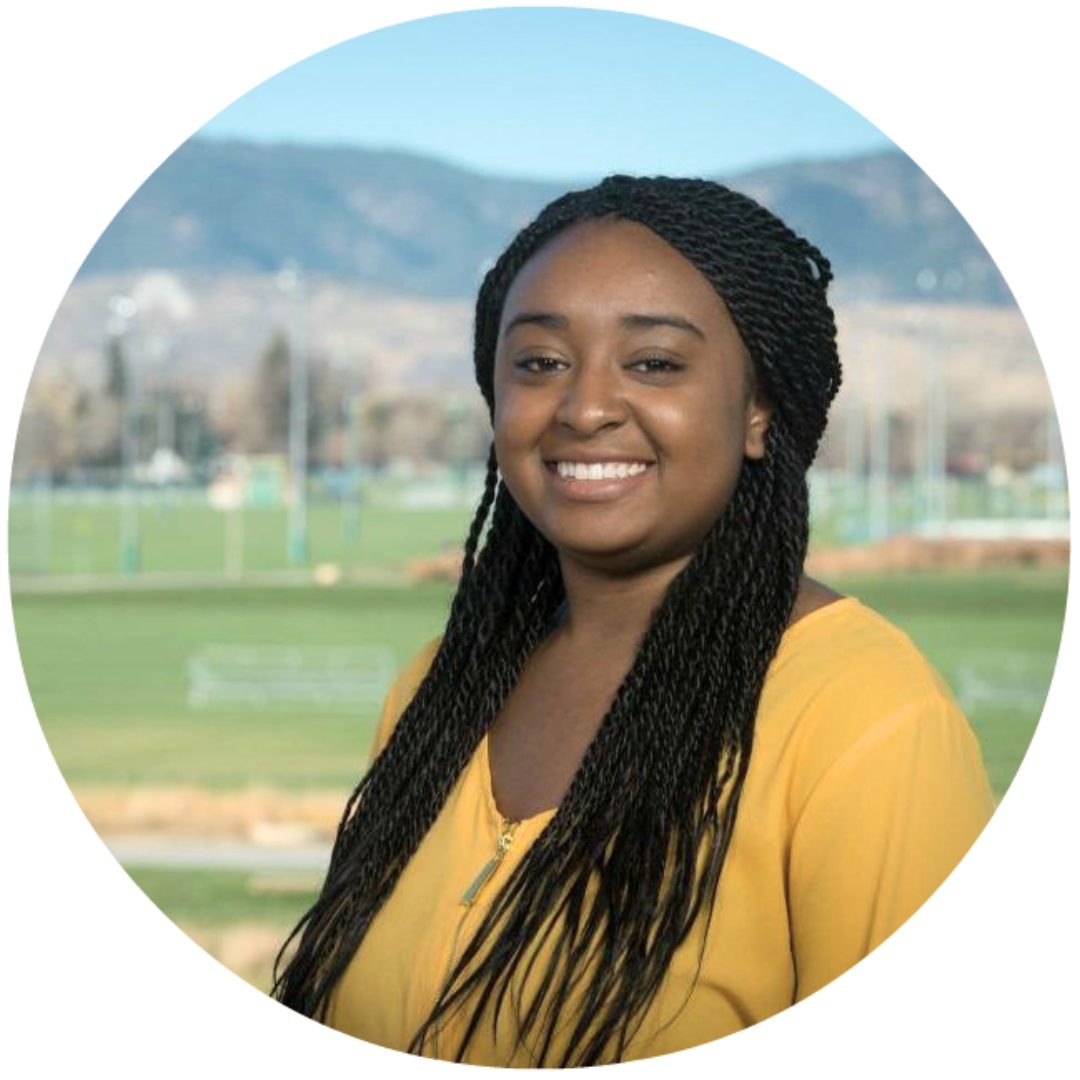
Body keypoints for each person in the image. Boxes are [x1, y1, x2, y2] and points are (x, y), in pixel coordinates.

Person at [271, 175, 994, 1067]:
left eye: (653, 363)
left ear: (760, 410)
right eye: (539, 363)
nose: (584, 407)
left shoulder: (867, 718)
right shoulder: (440, 687)